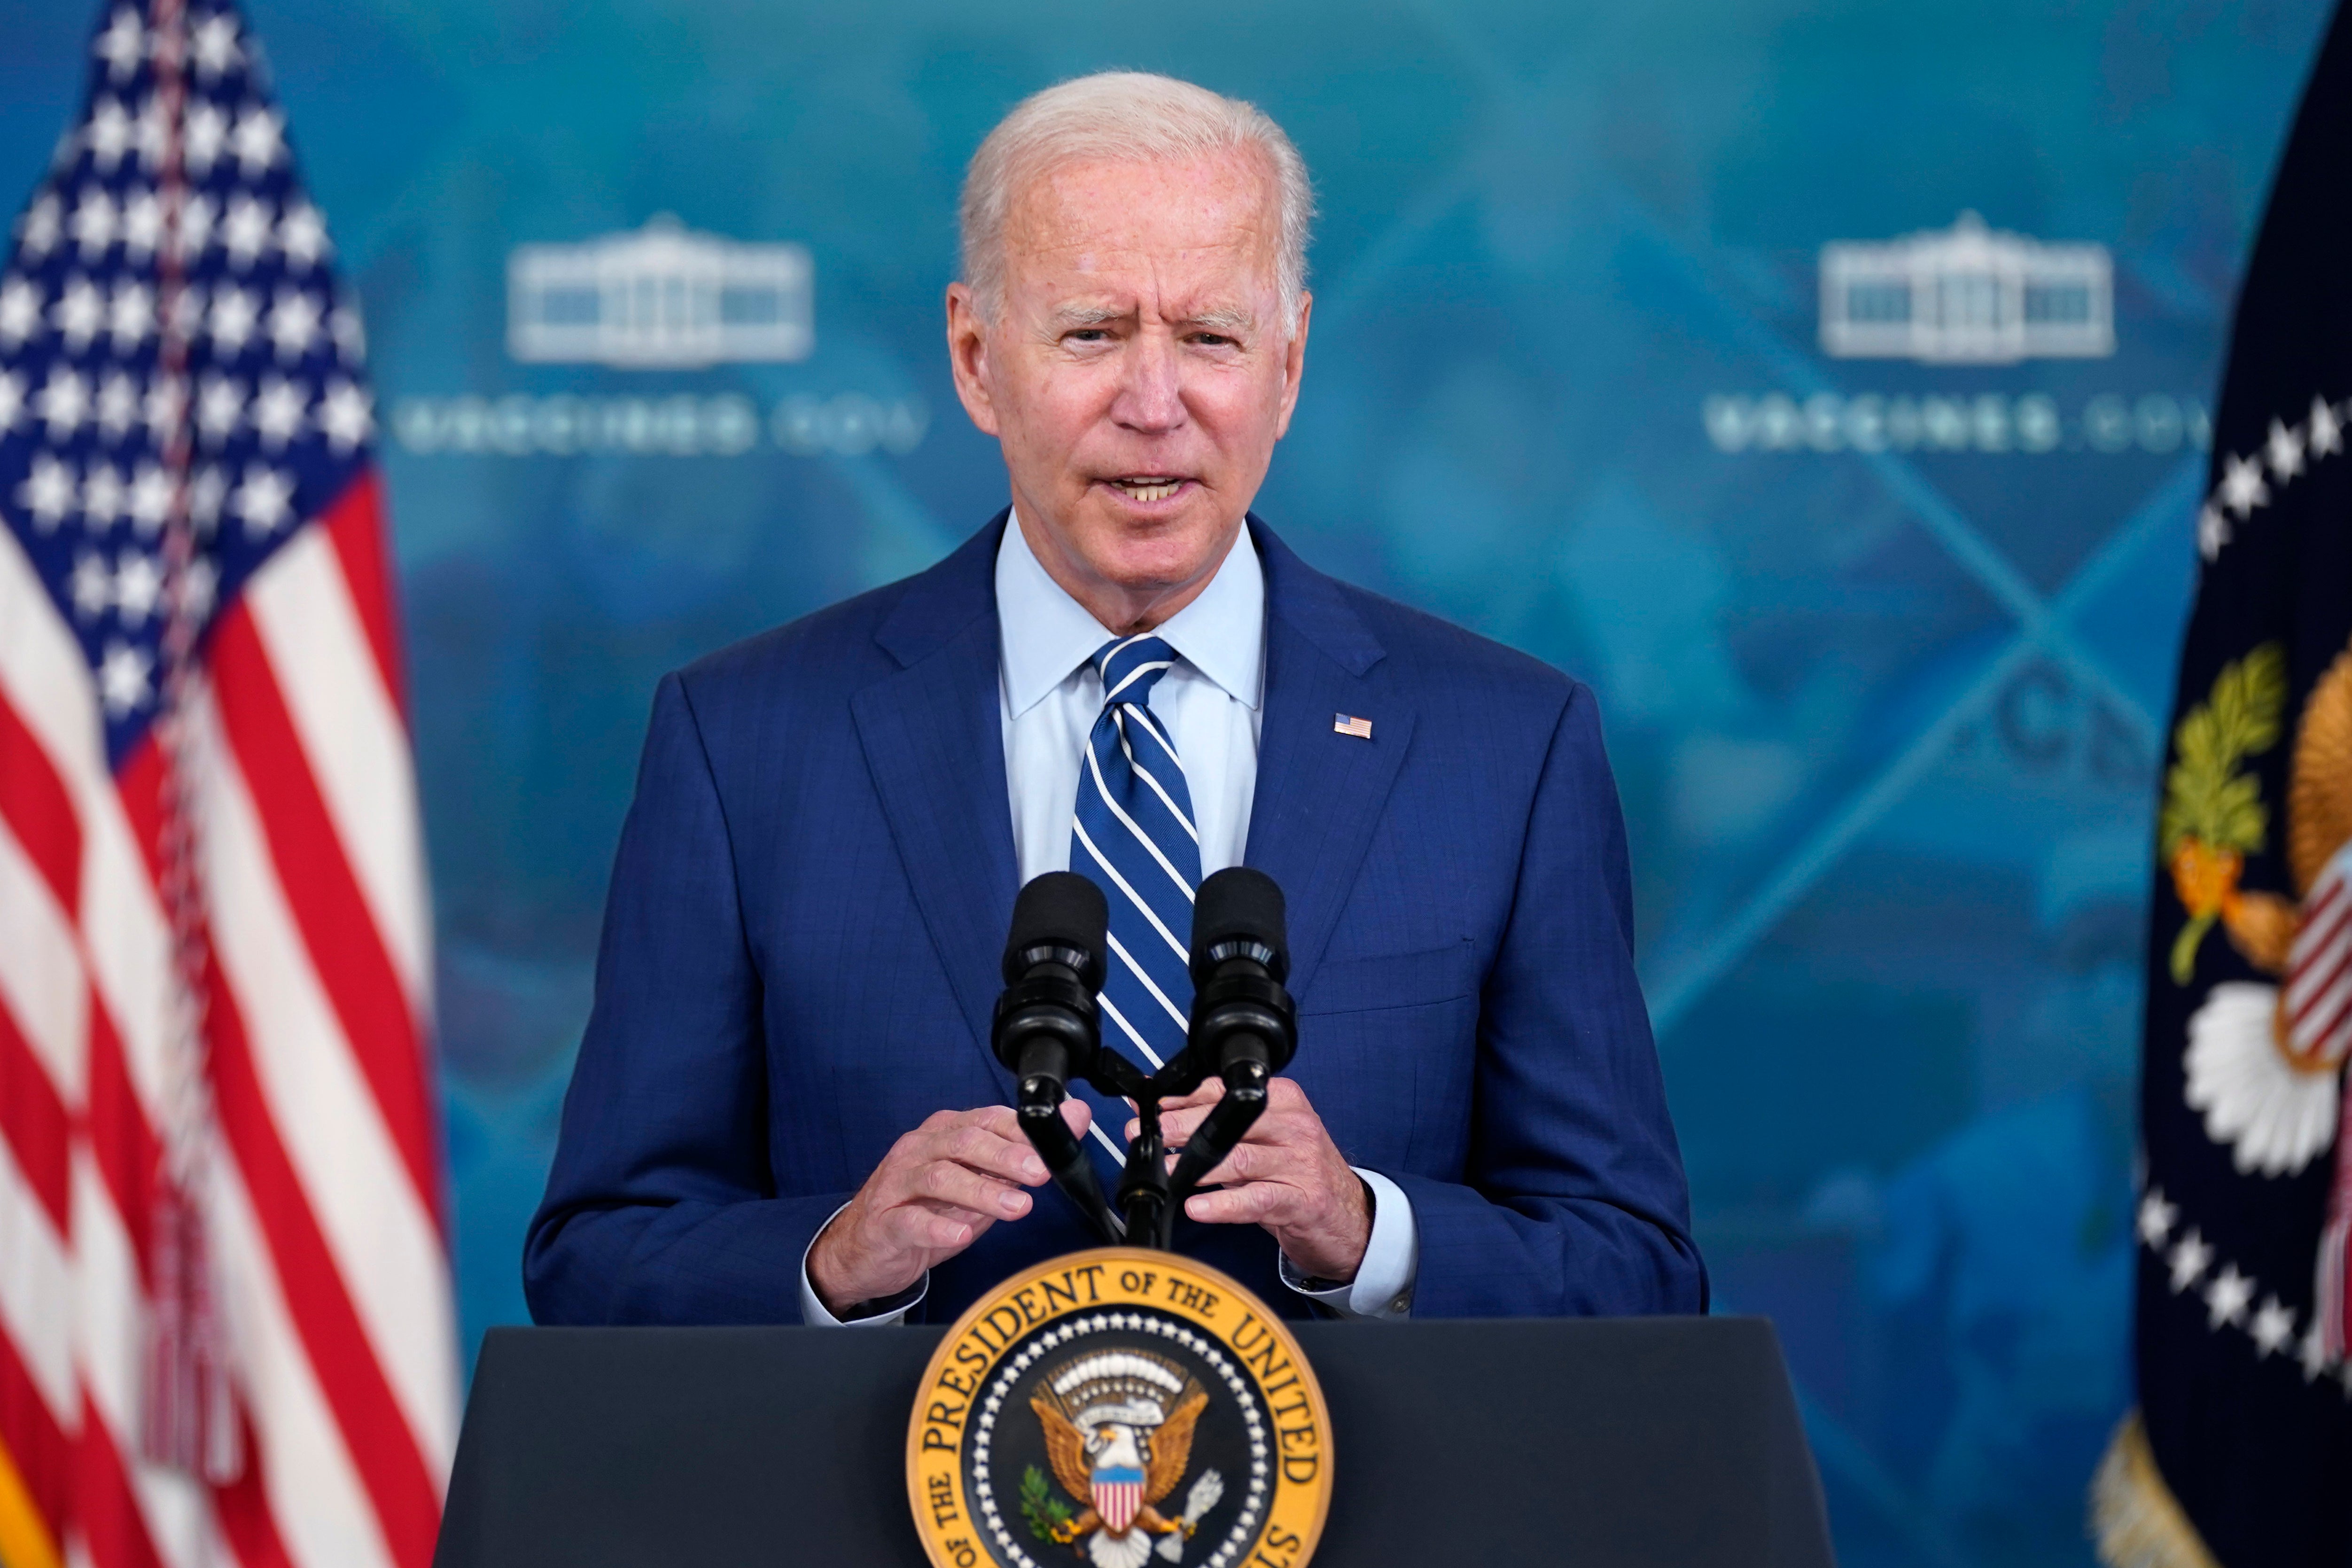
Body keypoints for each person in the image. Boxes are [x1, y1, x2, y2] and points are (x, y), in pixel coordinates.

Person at [524, 72, 1704, 1327]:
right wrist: (831, 1258)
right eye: (1092, 334)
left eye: (1210, 339)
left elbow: (1636, 1272)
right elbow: (600, 1262)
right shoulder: (745, 743)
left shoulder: (1506, 749)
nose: (1156, 406)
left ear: (1290, 362)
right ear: (977, 359)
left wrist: (1368, 1233)